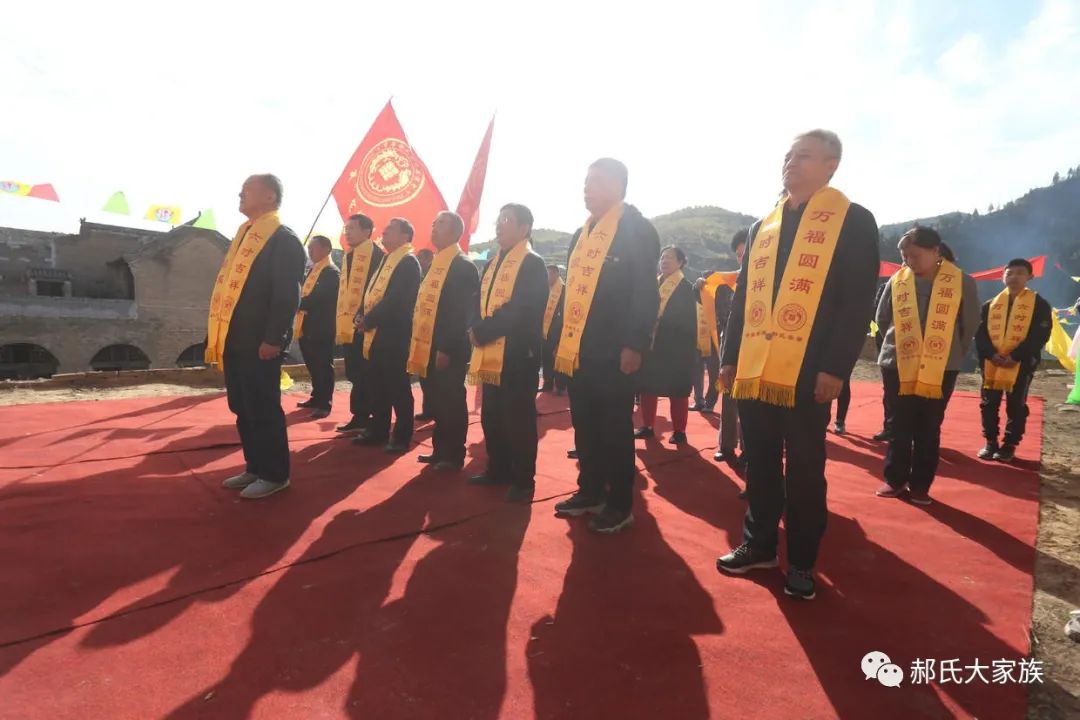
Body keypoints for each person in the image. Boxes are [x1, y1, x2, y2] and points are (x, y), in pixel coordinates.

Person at [715, 130, 880, 600]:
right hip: (755, 368)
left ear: (832, 165)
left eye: (804, 155)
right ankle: (759, 543)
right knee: (760, 462)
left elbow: (855, 302)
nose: (791, 162)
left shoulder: (852, 220)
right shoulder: (762, 225)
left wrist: (835, 367)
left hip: (809, 372)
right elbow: (744, 297)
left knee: (806, 467)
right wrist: (730, 357)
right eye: (789, 155)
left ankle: (803, 560)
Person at [551, 158, 661, 534]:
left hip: (616, 352)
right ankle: (590, 490)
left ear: (619, 185)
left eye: (596, 180)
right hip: (580, 350)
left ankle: (619, 503)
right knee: (585, 425)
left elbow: (646, 291)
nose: (587, 186)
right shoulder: (580, 235)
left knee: (614, 429)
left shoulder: (636, 229)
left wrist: (634, 344)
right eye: (585, 180)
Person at [209, 174, 305, 499]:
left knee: (264, 407)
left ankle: (275, 474)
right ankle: (255, 466)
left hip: (262, 342)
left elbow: (286, 295)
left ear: (268, 196)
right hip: (236, 340)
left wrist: (275, 338)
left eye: (247, 190)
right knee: (243, 406)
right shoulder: (243, 236)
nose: (240, 194)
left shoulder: (282, 238)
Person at [875, 227, 979, 505]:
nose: (909, 261)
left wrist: (951, 352)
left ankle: (921, 486)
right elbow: (883, 318)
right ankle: (894, 479)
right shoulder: (897, 281)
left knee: (928, 426)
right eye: (905, 256)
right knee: (899, 425)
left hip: (941, 366)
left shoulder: (961, 282)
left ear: (936, 251)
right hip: (897, 362)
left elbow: (968, 324)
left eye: (915, 255)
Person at [468, 203, 549, 502]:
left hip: (517, 354)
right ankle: (497, 469)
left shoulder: (531, 263)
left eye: (506, 220)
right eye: (498, 219)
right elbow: (476, 300)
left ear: (524, 228)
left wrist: (483, 330)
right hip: (489, 352)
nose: (499, 225)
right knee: (492, 416)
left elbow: (523, 310)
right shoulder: (492, 262)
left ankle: (523, 479)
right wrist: (473, 326)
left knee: (518, 419)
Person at [407, 212, 479, 471]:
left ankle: (453, 454)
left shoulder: (462, 265)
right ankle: (440, 450)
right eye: (434, 223)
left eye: (441, 224)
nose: (434, 228)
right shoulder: (437, 263)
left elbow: (459, 313)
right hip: (428, 345)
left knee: (451, 401)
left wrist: (446, 347)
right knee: (436, 401)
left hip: (448, 349)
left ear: (455, 232)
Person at [353, 219, 422, 454]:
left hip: (395, 335)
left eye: (390, 229)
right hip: (376, 334)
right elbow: (372, 293)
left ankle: (402, 436)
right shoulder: (386, 259)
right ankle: (378, 430)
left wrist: (369, 320)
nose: (384, 231)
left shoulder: (408, 262)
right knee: (377, 385)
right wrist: (361, 315)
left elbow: (396, 300)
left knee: (398, 387)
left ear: (405, 236)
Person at [975, 257, 1052, 461]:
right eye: (1009, 273)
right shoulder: (990, 306)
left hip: (1021, 364)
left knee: (1015, 404)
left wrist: (1015, 356)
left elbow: (1040, 335)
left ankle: (1009, 444)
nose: (1014, 277)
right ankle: (990, 441)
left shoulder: (1039, 305)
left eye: (1020, 273)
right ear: (1003, 277)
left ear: (1030, 277)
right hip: (992, 362)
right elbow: (980, 334)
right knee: (988, 403)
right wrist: (992, 354)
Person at [635, 246, 697, 445]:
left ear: (680, 262)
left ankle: (679, 431)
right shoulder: (654, 284)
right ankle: (648, 426)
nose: (664, 260)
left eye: (669, 257)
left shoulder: (686, 287)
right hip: (651, 347)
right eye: (662, 257)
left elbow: (687, 320)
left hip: (675, 348)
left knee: (677, 390)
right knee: (647, 387)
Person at [334, 214, 384, 434]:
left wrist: (366, 316)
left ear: (367, 231)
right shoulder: (349, 255)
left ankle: (373, 416)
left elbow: (378, 292)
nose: (347, 231)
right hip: (349, 324)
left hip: (368, 324)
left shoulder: (376, 256)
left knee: (368, 372)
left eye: (352, 228)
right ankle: (360, 414)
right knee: (354, 372)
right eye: (346, 227)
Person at [295, 235, 340, 419]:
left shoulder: (331, 272)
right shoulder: (312, 270)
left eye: (313, 248)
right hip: (307, 325)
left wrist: (295, 302)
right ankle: (316, 396)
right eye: (309, 248)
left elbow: (319, 298)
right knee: (312, 364)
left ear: (326, 249)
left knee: (323, 365)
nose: (310, 251)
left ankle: (325, 402)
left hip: (322, 326)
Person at [714, 229, 748, 466]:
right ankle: (726, 445)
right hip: (730, 347)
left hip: (755, 349)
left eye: (747, 252)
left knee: (750, 404)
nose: (743, 258)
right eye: (738, 255)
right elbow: (714, 306)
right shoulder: (729, 281)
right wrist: (699, 288)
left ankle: (749, 450)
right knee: (727, 398)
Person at [691, 276, 720, 413]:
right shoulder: (696, 294)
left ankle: (710, 402)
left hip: (714, 340)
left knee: (714, 373)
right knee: (696, 371)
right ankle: (698, 400)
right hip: (697, 338)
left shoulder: (721, 295)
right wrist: (696, 287)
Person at [414, 247, 436, 422]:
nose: (418, 261)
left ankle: (435, 409)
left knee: (433, 377)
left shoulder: (436, 273)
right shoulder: (421, 275)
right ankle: (428, 408)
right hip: (421, 329)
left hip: (433, 332)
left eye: (421, 258)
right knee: (424, 375)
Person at [870, 280, 894, 441]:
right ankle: (889, 427)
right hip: (894, 349)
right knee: (891, 392)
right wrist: (888, 342)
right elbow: (878, 316)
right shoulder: (889, 285)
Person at [539, 264, 566, 394]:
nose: (547, 277)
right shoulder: (544, 289)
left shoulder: (564, 290)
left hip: (558, 329)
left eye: (549, 274)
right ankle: (548, 383)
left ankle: (561, 386)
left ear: (556, 274)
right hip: (544, 330)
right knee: (546, 357)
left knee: (557, 358)